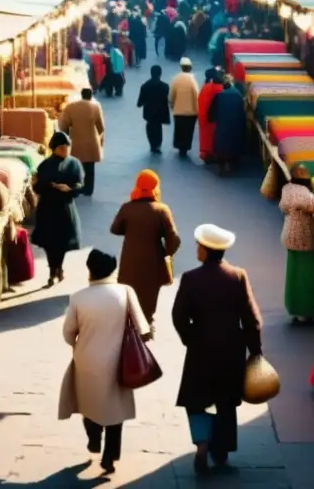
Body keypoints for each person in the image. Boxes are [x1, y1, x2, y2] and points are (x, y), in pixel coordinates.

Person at [172, 224, 263, 474]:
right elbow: (252, 319)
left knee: (197, 399)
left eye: (198, 246)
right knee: (225, 401)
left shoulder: (191, 278)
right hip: (231, 350)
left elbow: (178, 316)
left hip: (200, 348)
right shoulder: (238, 276)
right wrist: (254, 350)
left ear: (205, 249)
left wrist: (190, 338)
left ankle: (202, 443)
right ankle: (221, 452)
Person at [59, 249, 150, 475]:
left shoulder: (78, 297)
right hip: (118, 360)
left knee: (88, 403)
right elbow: (143, 328)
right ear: (113, 269)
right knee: (115, 409)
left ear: (89, 269)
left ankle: (93, 437)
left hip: (86, 358)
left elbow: (68, 333)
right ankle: (110, 456)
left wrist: (78, 343)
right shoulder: (126, 291)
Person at [111, 170, 181, 327]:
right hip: (153, 261)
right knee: (149, 292)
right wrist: (168, 253)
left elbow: (115, 229)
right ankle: (147, 321)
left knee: (129, 289)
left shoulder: (127, 208)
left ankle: (129, 321)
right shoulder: (162, 210)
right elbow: (174, 239)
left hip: (130, 259)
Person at [32, 132, 84, 286]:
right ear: (54, 148)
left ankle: (58, 267)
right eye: (61, 147)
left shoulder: (74, 164)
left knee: (61, 243)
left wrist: (69, 188)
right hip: (47, 209)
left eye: (67, 147)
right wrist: (46, 185)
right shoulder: (45, 165)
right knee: (49, 243)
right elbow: (38, 188)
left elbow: (80, 185)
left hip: (65, 209)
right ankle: (52, 270)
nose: (65, 150)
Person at [280, 165, 314, 324]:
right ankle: (305, 310)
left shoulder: (286, 189)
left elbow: (283, 207)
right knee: (306, 276)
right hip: (304, 239)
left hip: (289, 236)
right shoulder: (306, 194)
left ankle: (293, 307)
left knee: (293, 274)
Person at [58, 88, 106, 197]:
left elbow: (64, 125)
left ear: (82, 95)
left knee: (74, 165)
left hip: (75, 141)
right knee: (89, 168)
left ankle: (74, 188)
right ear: (90, 96)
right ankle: (88, 189)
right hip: (91, 142)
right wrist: (100, 139)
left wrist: (66, 138)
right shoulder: (95, 106)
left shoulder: (71, 107)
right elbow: (101, 127)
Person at [208, 77, 246, 175]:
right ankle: (231, 164)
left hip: (222, 126)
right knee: (233, 144)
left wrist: (211, 119)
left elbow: (211, 113)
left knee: (221, 144)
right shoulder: (239, 96)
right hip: (235, 126)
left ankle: (221, 166)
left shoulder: (219, 96)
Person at [137, 65, 171, 154]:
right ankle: (157, 145)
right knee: (158, 129)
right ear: (160, 74)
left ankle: (152, 145)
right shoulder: (165, 86)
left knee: (150, 128)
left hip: (149, 113)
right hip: (160, 113)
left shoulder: (145, 86)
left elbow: (140, 102)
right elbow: (168, 100)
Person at [169, 58, 200, 158]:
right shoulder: (192, 80)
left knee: (179, 129)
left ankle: (179, 146)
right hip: (191, 112)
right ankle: (185, 148)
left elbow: (171, 94)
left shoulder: (176, 79)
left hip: (178, 111)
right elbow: (196, 95)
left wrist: (172, 105)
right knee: (188, 131)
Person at [198, 68, 224, 162]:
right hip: (211, 118)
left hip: (203, 115)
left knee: (205, 136)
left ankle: (205, 153)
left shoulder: (205, 87)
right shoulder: (219, 89)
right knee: (212, 137)